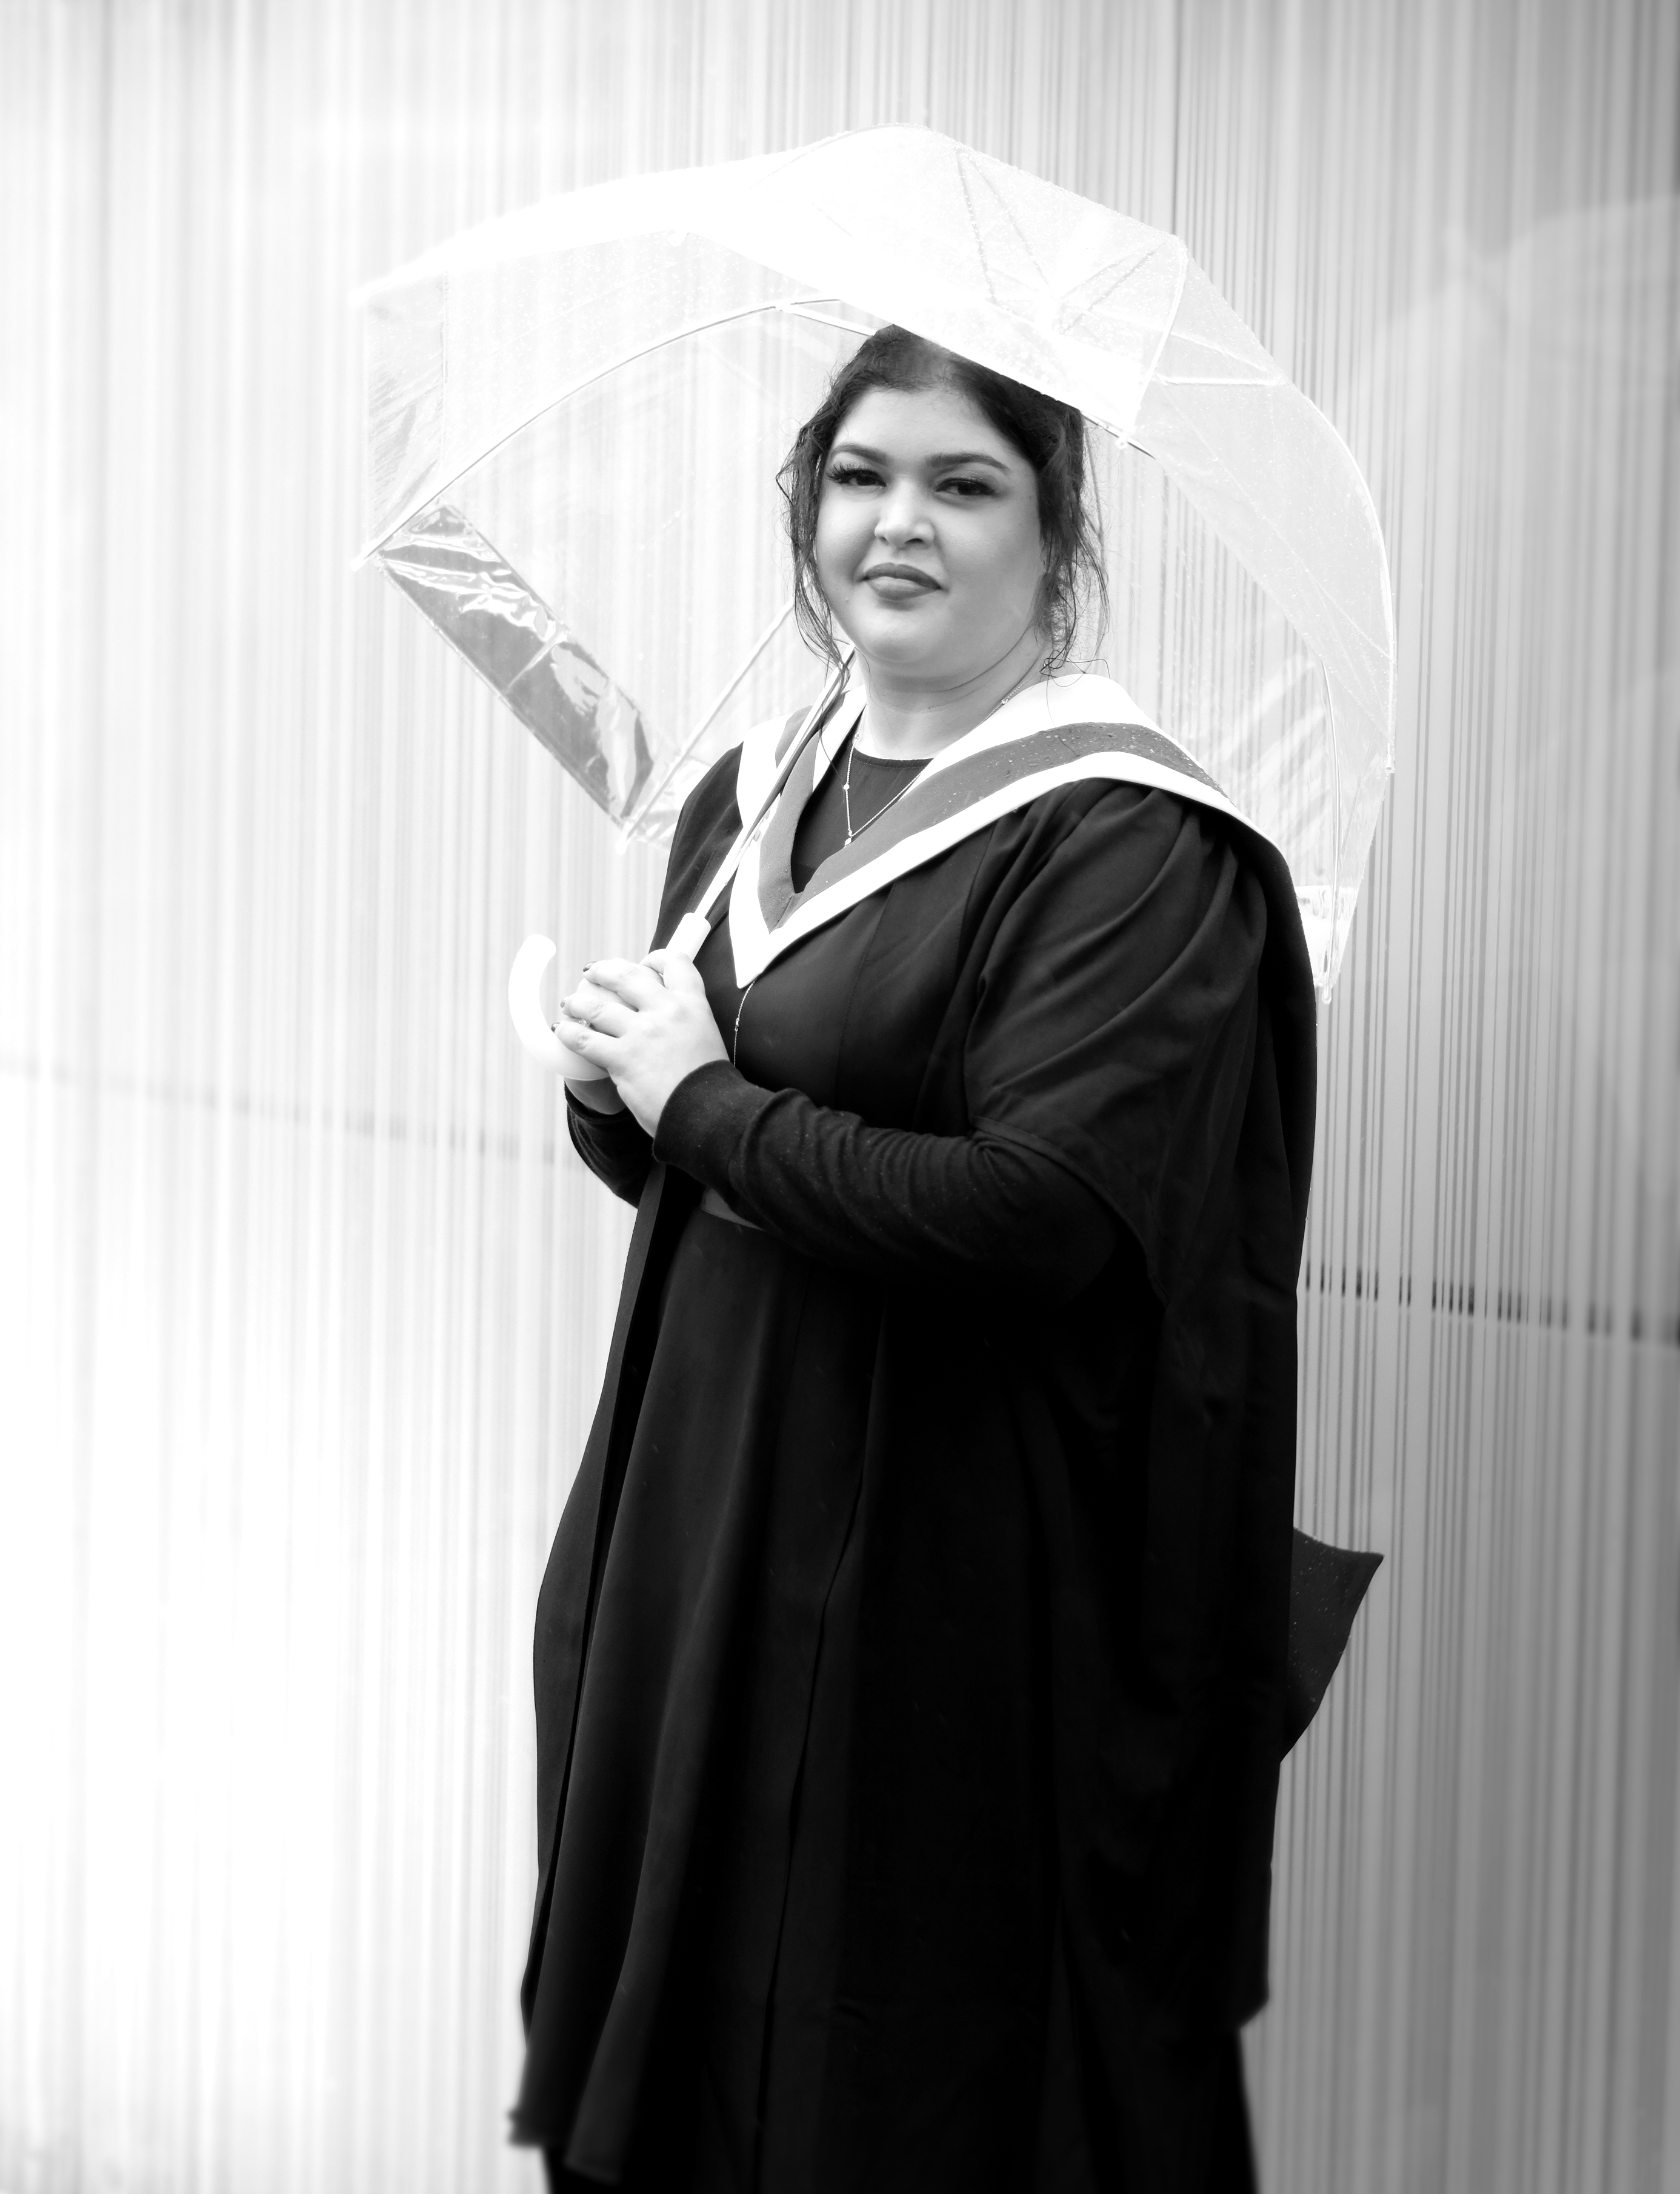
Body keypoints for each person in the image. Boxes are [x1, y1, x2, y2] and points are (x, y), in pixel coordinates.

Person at [509, 326, 1318, 2192]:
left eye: (963, 484)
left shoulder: (1126, 845)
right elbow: (709, 1163)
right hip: (701, 1506)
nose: (898, 523)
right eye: (860, 476)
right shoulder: (753, 792)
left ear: (1056, 532)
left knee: (885, 2065)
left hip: (943, 1566)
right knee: (681, 2034)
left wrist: (705, 1105)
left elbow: (1034, 1217)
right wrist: (620, 1094)